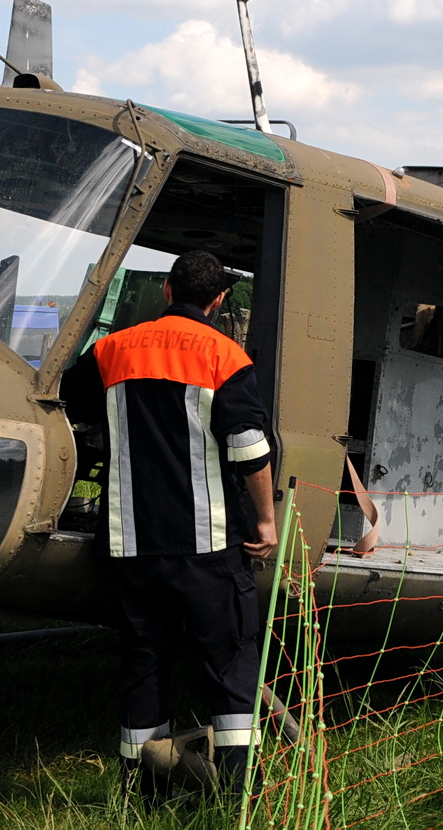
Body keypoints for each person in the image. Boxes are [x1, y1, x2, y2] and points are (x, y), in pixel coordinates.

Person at [61, 250, 278, 800]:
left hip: (131, 540)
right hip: (207, 544)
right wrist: (268, 519)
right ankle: (235, 792)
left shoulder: (111, 349)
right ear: (220, 298)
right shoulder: (225, 355)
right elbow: (248, 446)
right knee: (229, 662)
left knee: (143, 660)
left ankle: (141, 788)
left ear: (165, 290)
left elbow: (68, 400)